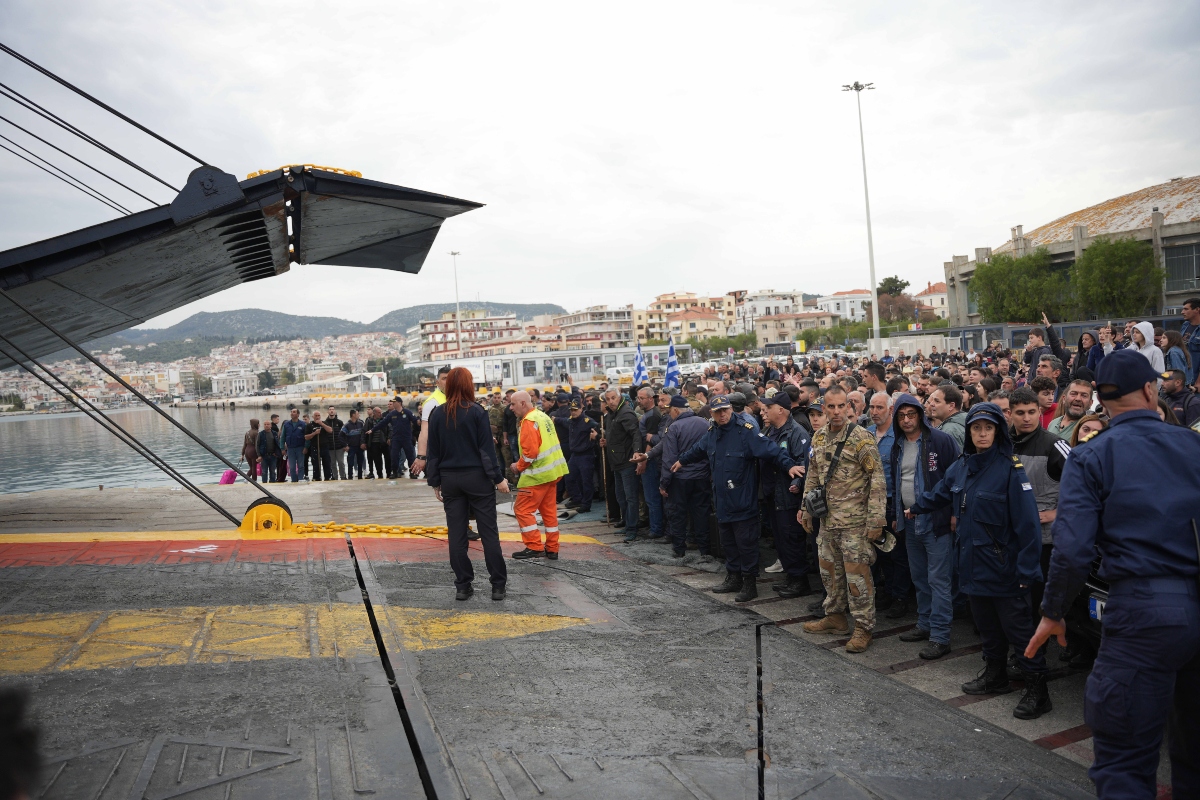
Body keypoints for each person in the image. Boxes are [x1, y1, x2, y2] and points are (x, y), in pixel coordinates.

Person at [1027, 348, 1200, 799]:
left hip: (1141, 612)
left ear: (1102, 400)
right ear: (1150, 390)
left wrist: (1052, 611)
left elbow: (1072, 549)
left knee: (1124, 760)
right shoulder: (1193, 446)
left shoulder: (1091, 456)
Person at [906, 403, 1050, 719]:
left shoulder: (1011, 470)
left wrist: (1027, 570)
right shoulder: (963, 465)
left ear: (997, 431)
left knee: (1020, 632)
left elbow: (1028, 526)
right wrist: (916, 508)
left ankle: (1038, 692)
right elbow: (942, 492)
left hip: (1006, 570)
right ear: (969, 432)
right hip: (972, 566)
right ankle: (995, 677)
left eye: (988, 428)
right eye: (976, 428)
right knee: (987, 629)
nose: (982, 433)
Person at [673, 395, 804, 603]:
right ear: (712, 414)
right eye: (717, 412)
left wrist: (789, 466)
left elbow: (772, 451)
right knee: (728, 543)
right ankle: (733, 577)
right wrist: (681, 461)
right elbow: (699, 449)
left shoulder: (746, 431)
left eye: (725, 410)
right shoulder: (713, 432)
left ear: (731, 410)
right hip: (723, 499)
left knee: (746, 544)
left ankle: (749, 583)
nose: (722, 415)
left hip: (743, 500)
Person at [799, 385, 888, 653]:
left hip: (855, 523)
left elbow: (878, 480)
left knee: (857, 577)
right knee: (829, 572)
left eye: (842, 406)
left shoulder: (861, 439)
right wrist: (806, 507)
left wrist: (876, 521)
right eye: (831, 407)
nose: (836, 412)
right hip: (827, 521)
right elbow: (813, 476)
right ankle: (836, 617)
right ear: (824, 408)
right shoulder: (818, 438)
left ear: (848, 408)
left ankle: (863, 627)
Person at [425, 367, 510, 601]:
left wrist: (435, 482)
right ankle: (497, 586)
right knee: (488, 532)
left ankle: (463, 585)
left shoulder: (438, 414)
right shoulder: (477, 412)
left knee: (457, 535)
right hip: (477, 478)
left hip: (450, 479)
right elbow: (486, 451)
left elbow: (434, 452)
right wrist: (498, 478)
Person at [890, 393, 959, 659]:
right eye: (901, 416)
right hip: (909, 522)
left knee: (938, 580)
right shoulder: (897, 444)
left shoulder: (940, 440)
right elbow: (898, 481)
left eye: (912, 414)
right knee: (919, 578)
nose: (907, 420)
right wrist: (896, 512)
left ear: (920, 414)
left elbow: (955, 479)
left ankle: (941, 636)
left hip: (937, 522)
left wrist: (953, 514)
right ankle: (925, 623)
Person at [761, 392, 814, 598]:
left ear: (781, 410)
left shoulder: (796, 432)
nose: (765, 411)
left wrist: (796, 482)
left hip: (788, 496)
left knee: (792, 538)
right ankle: (791, 577)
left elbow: (803, 463)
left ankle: (799, 580)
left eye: (769, 407)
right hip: (773, 494)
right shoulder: (769, 431)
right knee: (781, 539)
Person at [508, 390, 568, 560]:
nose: (511, 407)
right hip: (553, 473)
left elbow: (530, 454)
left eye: (513, 404)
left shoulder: (529, 421)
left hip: (537, 476)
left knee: (522, 510)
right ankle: (552, 548)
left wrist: (517, 466)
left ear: (523, 404)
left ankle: (534, 546)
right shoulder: (542, 416)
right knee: (549, 513)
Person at [867, 391, 909, 618]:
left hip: (893, 502)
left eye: (879, 408)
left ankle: (900, 597)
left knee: (897, 553)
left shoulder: (899, 436)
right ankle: (887, 591)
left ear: (891, 410)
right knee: (877, 552)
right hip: (871, 503)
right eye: (872, 407)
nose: (874, 412)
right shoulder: (867, 434)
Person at [656, 394, 712, 558]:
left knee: (678, 514)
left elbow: (669, 459)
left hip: (680, 479)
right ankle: (704, 550)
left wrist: (664, 483)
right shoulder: (704, 423)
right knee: (701, 514)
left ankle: (679, 549)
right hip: (701, 477)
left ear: (675, 410)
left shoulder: (674, 427)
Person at [599, 388, 641, 541]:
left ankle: (632, 528)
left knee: (630, 497)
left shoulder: (626, 413)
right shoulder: (611, 414)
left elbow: (635, 434)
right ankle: (626, 522)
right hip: (615, 461)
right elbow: (616, 436)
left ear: (619, 397)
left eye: (613, 398)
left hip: (627, 461)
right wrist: (606, 442)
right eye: (608, 399)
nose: (610, 401)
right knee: (620, 496)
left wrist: (637, 451)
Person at [634, 386, 666, 539]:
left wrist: (644, 460)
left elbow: (651, 441)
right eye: (638, 398)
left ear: (650, 399)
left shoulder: (653, 416)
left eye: (641, 398)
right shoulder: (647, 414)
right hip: (648, 458)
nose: (638, 401)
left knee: (652, 496)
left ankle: (656, 529)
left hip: (651, 461)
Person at [411, 367, 450, 480]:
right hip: (443, 453)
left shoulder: (460, 397)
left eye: (450, 378)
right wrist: (421, 456)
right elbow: (425, 430)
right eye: (444, 378)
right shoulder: (432, 402)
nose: (448, 381)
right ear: (437, 382)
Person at [563, 399, 599, 512]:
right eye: (571, 410)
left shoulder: (588, 421)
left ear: (581, 409)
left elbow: (598, 429)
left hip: (586, 455)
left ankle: (586, 504)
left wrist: (595, 438)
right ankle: (577, 498)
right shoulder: (572, 421)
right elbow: (563, 421)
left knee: (586, 481)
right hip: (575, 455)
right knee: (569, 477)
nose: (573, 412)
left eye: (575, 410)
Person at [926, 384, 967, 449]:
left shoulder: (949, 431)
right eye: (932, 400)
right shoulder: (960, 422)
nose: (931, 404)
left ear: (951, 406)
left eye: (937, 401)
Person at [304, 411, 333, 481]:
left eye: (318, 415)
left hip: (325, 446)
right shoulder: (309, 425)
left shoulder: (324, 423)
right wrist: (314, 433)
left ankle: (327, 477)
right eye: (316, 415)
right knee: (315, 464)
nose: (317, 417)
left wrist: (322, 424)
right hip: (315, 447)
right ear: (313, 417)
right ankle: (316, 477)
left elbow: (330, 430)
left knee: (327, 463)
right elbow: (306, 437)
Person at [281, 408, 307, 482]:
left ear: (298, 414)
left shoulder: (303, 424)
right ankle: (294, 480)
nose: (292, 413)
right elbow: (282, 437)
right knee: (292, 467)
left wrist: (306, 447)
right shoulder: (286, 424)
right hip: (290, 448)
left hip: (300, 448)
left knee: (301, 465)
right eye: (291, 412)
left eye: (294, 412)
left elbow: (306, 437)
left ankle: (300, 479)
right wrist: (282, 448)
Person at [1181, 298, 1200, 388]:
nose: (1182, 312)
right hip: (1184, 378)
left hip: (1196, 380)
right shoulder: (1185, 325)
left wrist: (1199, 382)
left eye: (1186, 309)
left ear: (1197, 310)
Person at [363, 407, 388, 479]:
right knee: (376, 460)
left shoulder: (384, 420)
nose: (381, 414)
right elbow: (364, 431)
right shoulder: (369, 421)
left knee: (386, 458)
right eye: (379, 412)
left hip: (383, 442)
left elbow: (389, 429)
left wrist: (389, 438)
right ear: (374, 413)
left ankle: (388, 473)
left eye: (381, 412)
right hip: (373, 443)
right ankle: (378, 474)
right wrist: (363, 442)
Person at [343, 409, 366, 479]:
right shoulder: (347, 425)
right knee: (350, 463)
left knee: (360, 462)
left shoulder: (361, 424)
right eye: (357, 414)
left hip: (359, 446)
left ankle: (360, 477)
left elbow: (363, 434)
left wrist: (363, 443)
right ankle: (350, 476)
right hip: (351, 447)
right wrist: (345, 445)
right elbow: (341, 436)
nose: (359, 415)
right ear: (353, 415)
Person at [256, 418, 280, 483]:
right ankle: (264, 484)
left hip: (273, 456)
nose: (266, 425)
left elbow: (277, 444)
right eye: (265, 424)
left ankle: (272, 482)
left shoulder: (274, 433)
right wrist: (259, 455)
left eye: (268, 424)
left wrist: (277, 453)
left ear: (271, 425)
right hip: (264, 456)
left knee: (273, 471)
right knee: (264, 472)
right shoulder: (260, 434)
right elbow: (257, 445)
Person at [325, 406, 346, 480]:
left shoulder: (339, 422)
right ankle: (335, 476)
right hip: (330, 447)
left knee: (341, 462)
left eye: (333, 410)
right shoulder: (325, 422)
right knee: (333, 464)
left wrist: (344, 445)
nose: (331, 411)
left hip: (339, 447)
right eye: (330, 409)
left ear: (335, 411)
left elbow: (344, 434)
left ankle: (343, 476)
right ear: (328, 411)